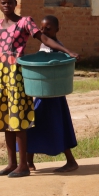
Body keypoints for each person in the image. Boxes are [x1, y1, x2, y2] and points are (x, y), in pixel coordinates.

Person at [0, 0, 79, 178]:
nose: (6, 5)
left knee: (18, 120)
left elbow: (45, 38)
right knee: (5, 119)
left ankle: (23, 165)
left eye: (10, 2)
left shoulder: (25, 22)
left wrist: (67, 51)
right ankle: (11, 164)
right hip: (3, 78)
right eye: (3, 2)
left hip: (17, 75)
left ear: (16, 3)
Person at [23, 15, 79, 173]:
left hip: (52, 96)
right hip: (44, 93)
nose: (43, 31)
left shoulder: (56, 48)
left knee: (56, 127)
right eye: (42, 28)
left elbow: (60, 64)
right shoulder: (44, 44)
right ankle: (29, 161)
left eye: (48, 28)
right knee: (34, 126)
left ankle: (71, 161)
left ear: (57, 30)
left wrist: (70, 53)